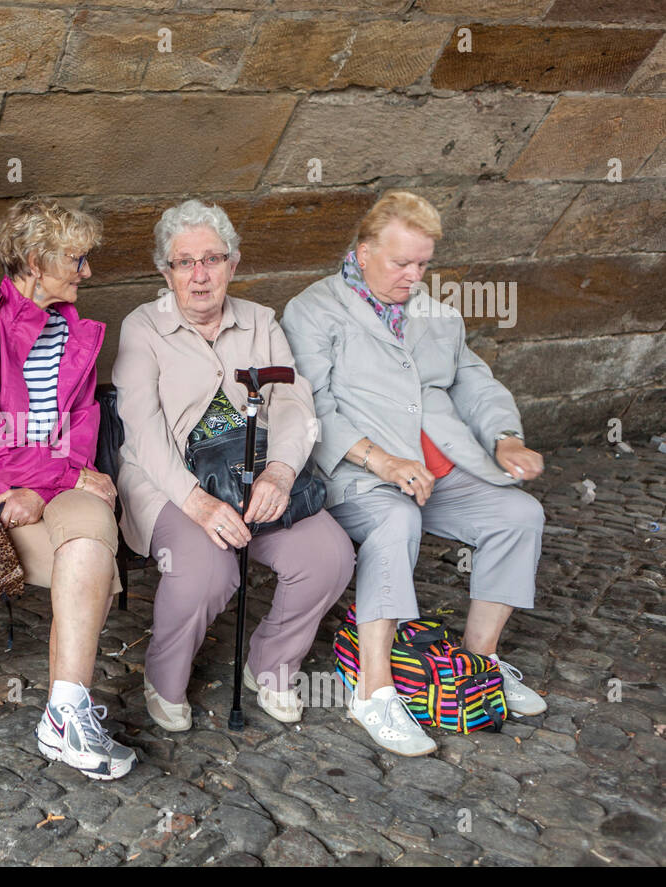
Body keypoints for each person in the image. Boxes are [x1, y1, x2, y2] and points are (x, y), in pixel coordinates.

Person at [281, 190, 547, 758]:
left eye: (423, 263)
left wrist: (505, 437)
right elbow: (309, 406)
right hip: (357, 472)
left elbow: (473, 382)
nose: (413, 275)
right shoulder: (314, 309)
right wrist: (379, 458)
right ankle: (373, 690)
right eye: (401, 262)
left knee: (519, 513)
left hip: (439, 469)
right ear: (364, 250)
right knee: (395, 522)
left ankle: (479, 664)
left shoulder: (436, 314)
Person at [113, 200, 354, 731]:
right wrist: (196, 502)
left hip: (253, 470)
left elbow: (292, 402)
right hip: (171, 479)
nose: (200, 276)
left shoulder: (261, 322)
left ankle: (271, 664)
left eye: (212, 260)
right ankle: (165, 674)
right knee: (204, 570)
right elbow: (143, 429)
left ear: (234, 264)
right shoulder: (142, 328)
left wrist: (283, 472)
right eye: (184, 262)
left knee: (329, 556)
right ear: (165, 271)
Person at [0, 198, 136, 780]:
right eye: (77, 258)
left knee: (94, 526)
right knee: (87, 538)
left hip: (42, 487)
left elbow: (83, 424)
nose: (87, 271)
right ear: (35, 260)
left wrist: (51, 488)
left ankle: (65, 713)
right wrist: (64, 478)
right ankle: (66, 717)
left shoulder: (74, 332)